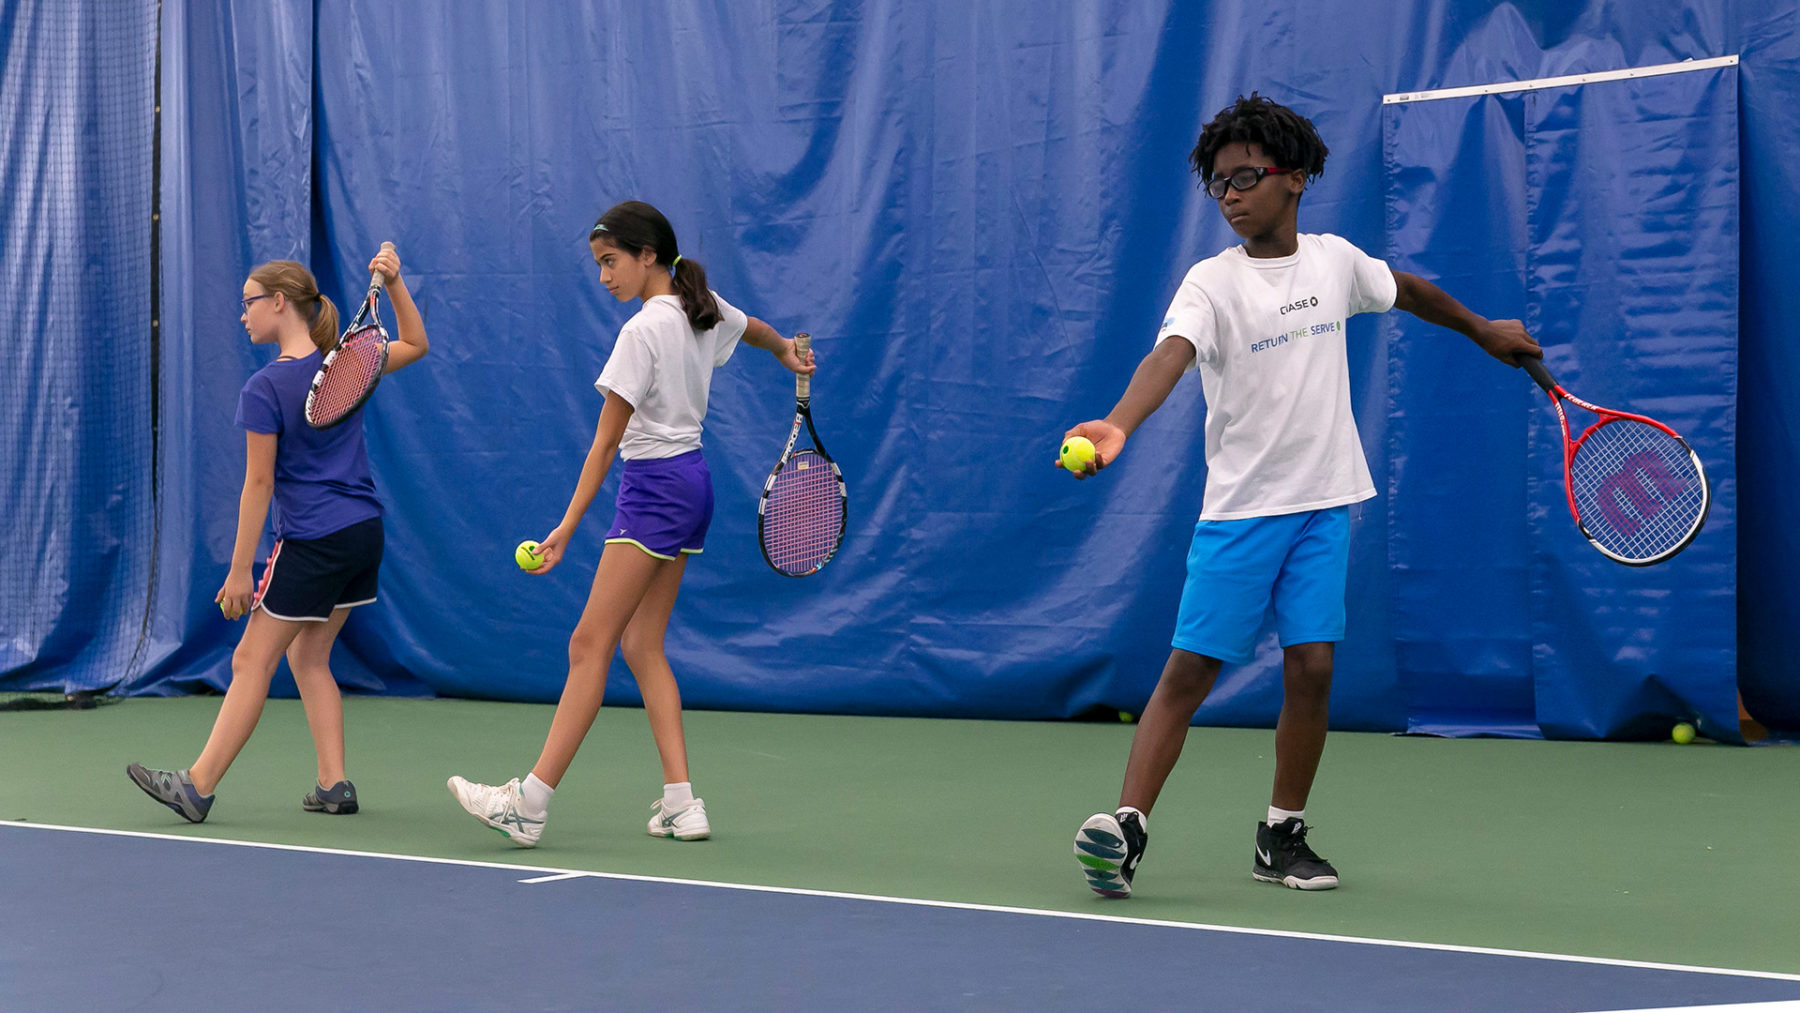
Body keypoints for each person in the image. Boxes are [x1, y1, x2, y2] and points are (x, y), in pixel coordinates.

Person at [1065, 94, 1541, 896]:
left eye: (1245, 176)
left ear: (1295, 178)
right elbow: (1171, 355)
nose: (1230, 194)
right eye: (1217, 184)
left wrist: (1482, 328)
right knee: (1189, 672)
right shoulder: (1210, 283)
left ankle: (1282, 834)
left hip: (1323, 506)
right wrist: (1118, 424)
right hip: (1241, 515)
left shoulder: (1334, 261)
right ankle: (1129, 825)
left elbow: (1410, 290)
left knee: (1313, 667)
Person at [448, 201, 815, 848]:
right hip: (694, 485)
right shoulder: (700, 307)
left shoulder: (642, 332)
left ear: (649, 255)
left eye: (611, 261)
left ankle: (528, 803)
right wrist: (785, 347)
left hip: (654, 488)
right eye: (599, 265)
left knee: (588, 645)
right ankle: (682, 802)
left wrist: (564, 527)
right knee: (641, 646)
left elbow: (603, 445)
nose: (603, 277)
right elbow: (752, 327)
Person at [127, 247, 429, 822]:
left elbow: (258, 484)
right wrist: (394, 283)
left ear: (280, 302)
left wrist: (241, 570)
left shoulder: (264, 387)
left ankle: (196, 785)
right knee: (310, 657)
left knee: (250, 660)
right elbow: (417, 343)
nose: (243, 315)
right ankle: (334, 784)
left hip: (313, 538)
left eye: (249, 303)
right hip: (363, 534)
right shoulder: (348, 364)